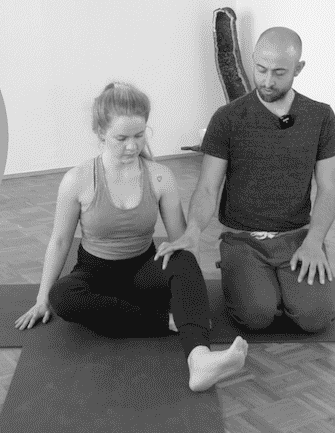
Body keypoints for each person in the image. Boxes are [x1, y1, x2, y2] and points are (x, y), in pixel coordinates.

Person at [14, 81, 248, 392]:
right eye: (121, 138)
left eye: (139, 135)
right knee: (63, 296)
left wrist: (190, 293)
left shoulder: (160, 176)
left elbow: (181, 243)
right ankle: (165, 322)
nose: (132, 146)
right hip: (95, 275)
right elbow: (59, 242)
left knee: (182, 258)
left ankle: (200, 359)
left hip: (143, 275)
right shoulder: (78, 180)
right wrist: (41, 299)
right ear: (100, 133)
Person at [155, 27, 335, 333]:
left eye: (279, 73)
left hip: (296, 237)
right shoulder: (227, 118)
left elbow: (329, 188)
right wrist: (194, 231)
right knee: (256, 316)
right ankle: (242, 271)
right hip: (243, 239)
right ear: (253, 60)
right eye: (261, 69)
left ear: (298, 68)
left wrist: (315, 241)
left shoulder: (321, 117)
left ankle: (281, 286)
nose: (267, 81)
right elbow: (208, 187)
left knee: (316, 318)